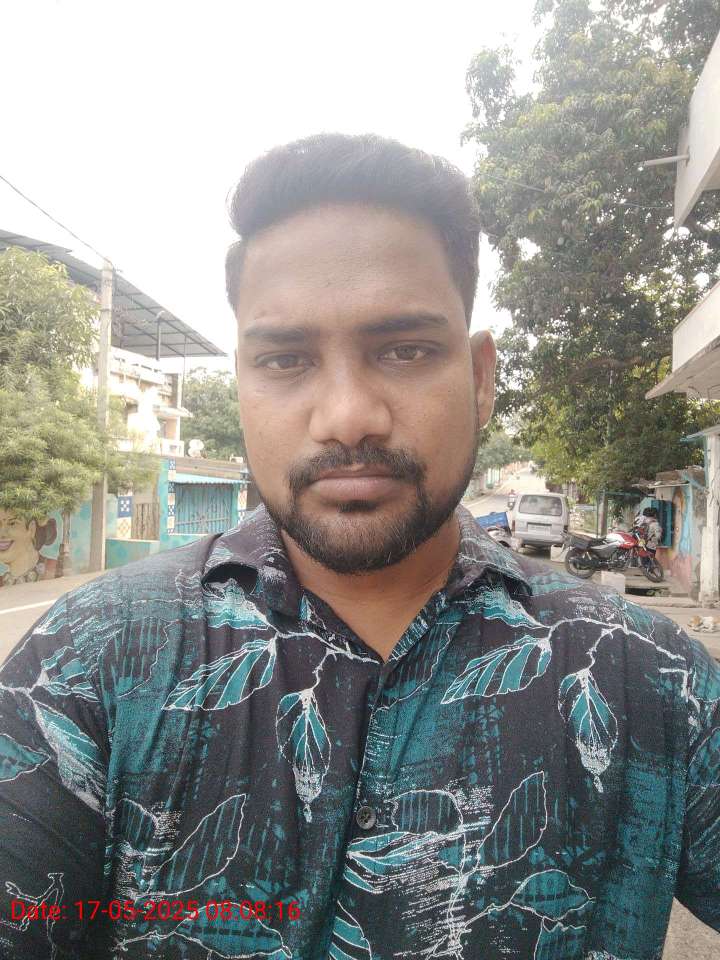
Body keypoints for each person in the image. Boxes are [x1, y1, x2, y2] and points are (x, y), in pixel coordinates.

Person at [0, 134, 718, 960]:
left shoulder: (646, 676)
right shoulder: (89, 660)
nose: (347, 416)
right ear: (242, 383)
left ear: (480, 377)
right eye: (286, 359)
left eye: (404, 350)